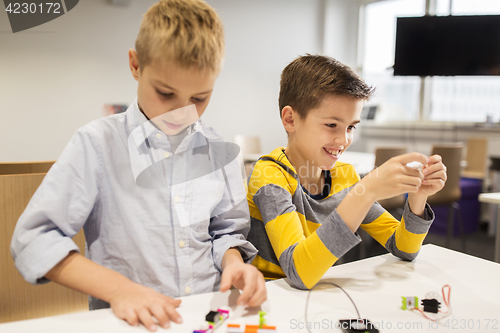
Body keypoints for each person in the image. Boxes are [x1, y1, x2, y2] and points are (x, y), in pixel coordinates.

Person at [10, 0, 266, 331]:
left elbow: (226, 231)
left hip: (206, 319)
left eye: (199, 98)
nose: (181, 112)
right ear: (135, 65)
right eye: (165, 93)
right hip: (132, 324)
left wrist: (234, 263)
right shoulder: (97, 144)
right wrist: (120, 290)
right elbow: (34, 240)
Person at [246, 54, 447, 290]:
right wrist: (365, 192)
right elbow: (298, 272)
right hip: (267, 299)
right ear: (290, 119)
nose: (343, 140)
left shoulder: (344, 175)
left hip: (317, 294)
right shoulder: (270, 175)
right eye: (332, 125)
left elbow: (403, 248)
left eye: (351, 127)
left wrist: (418, 198)